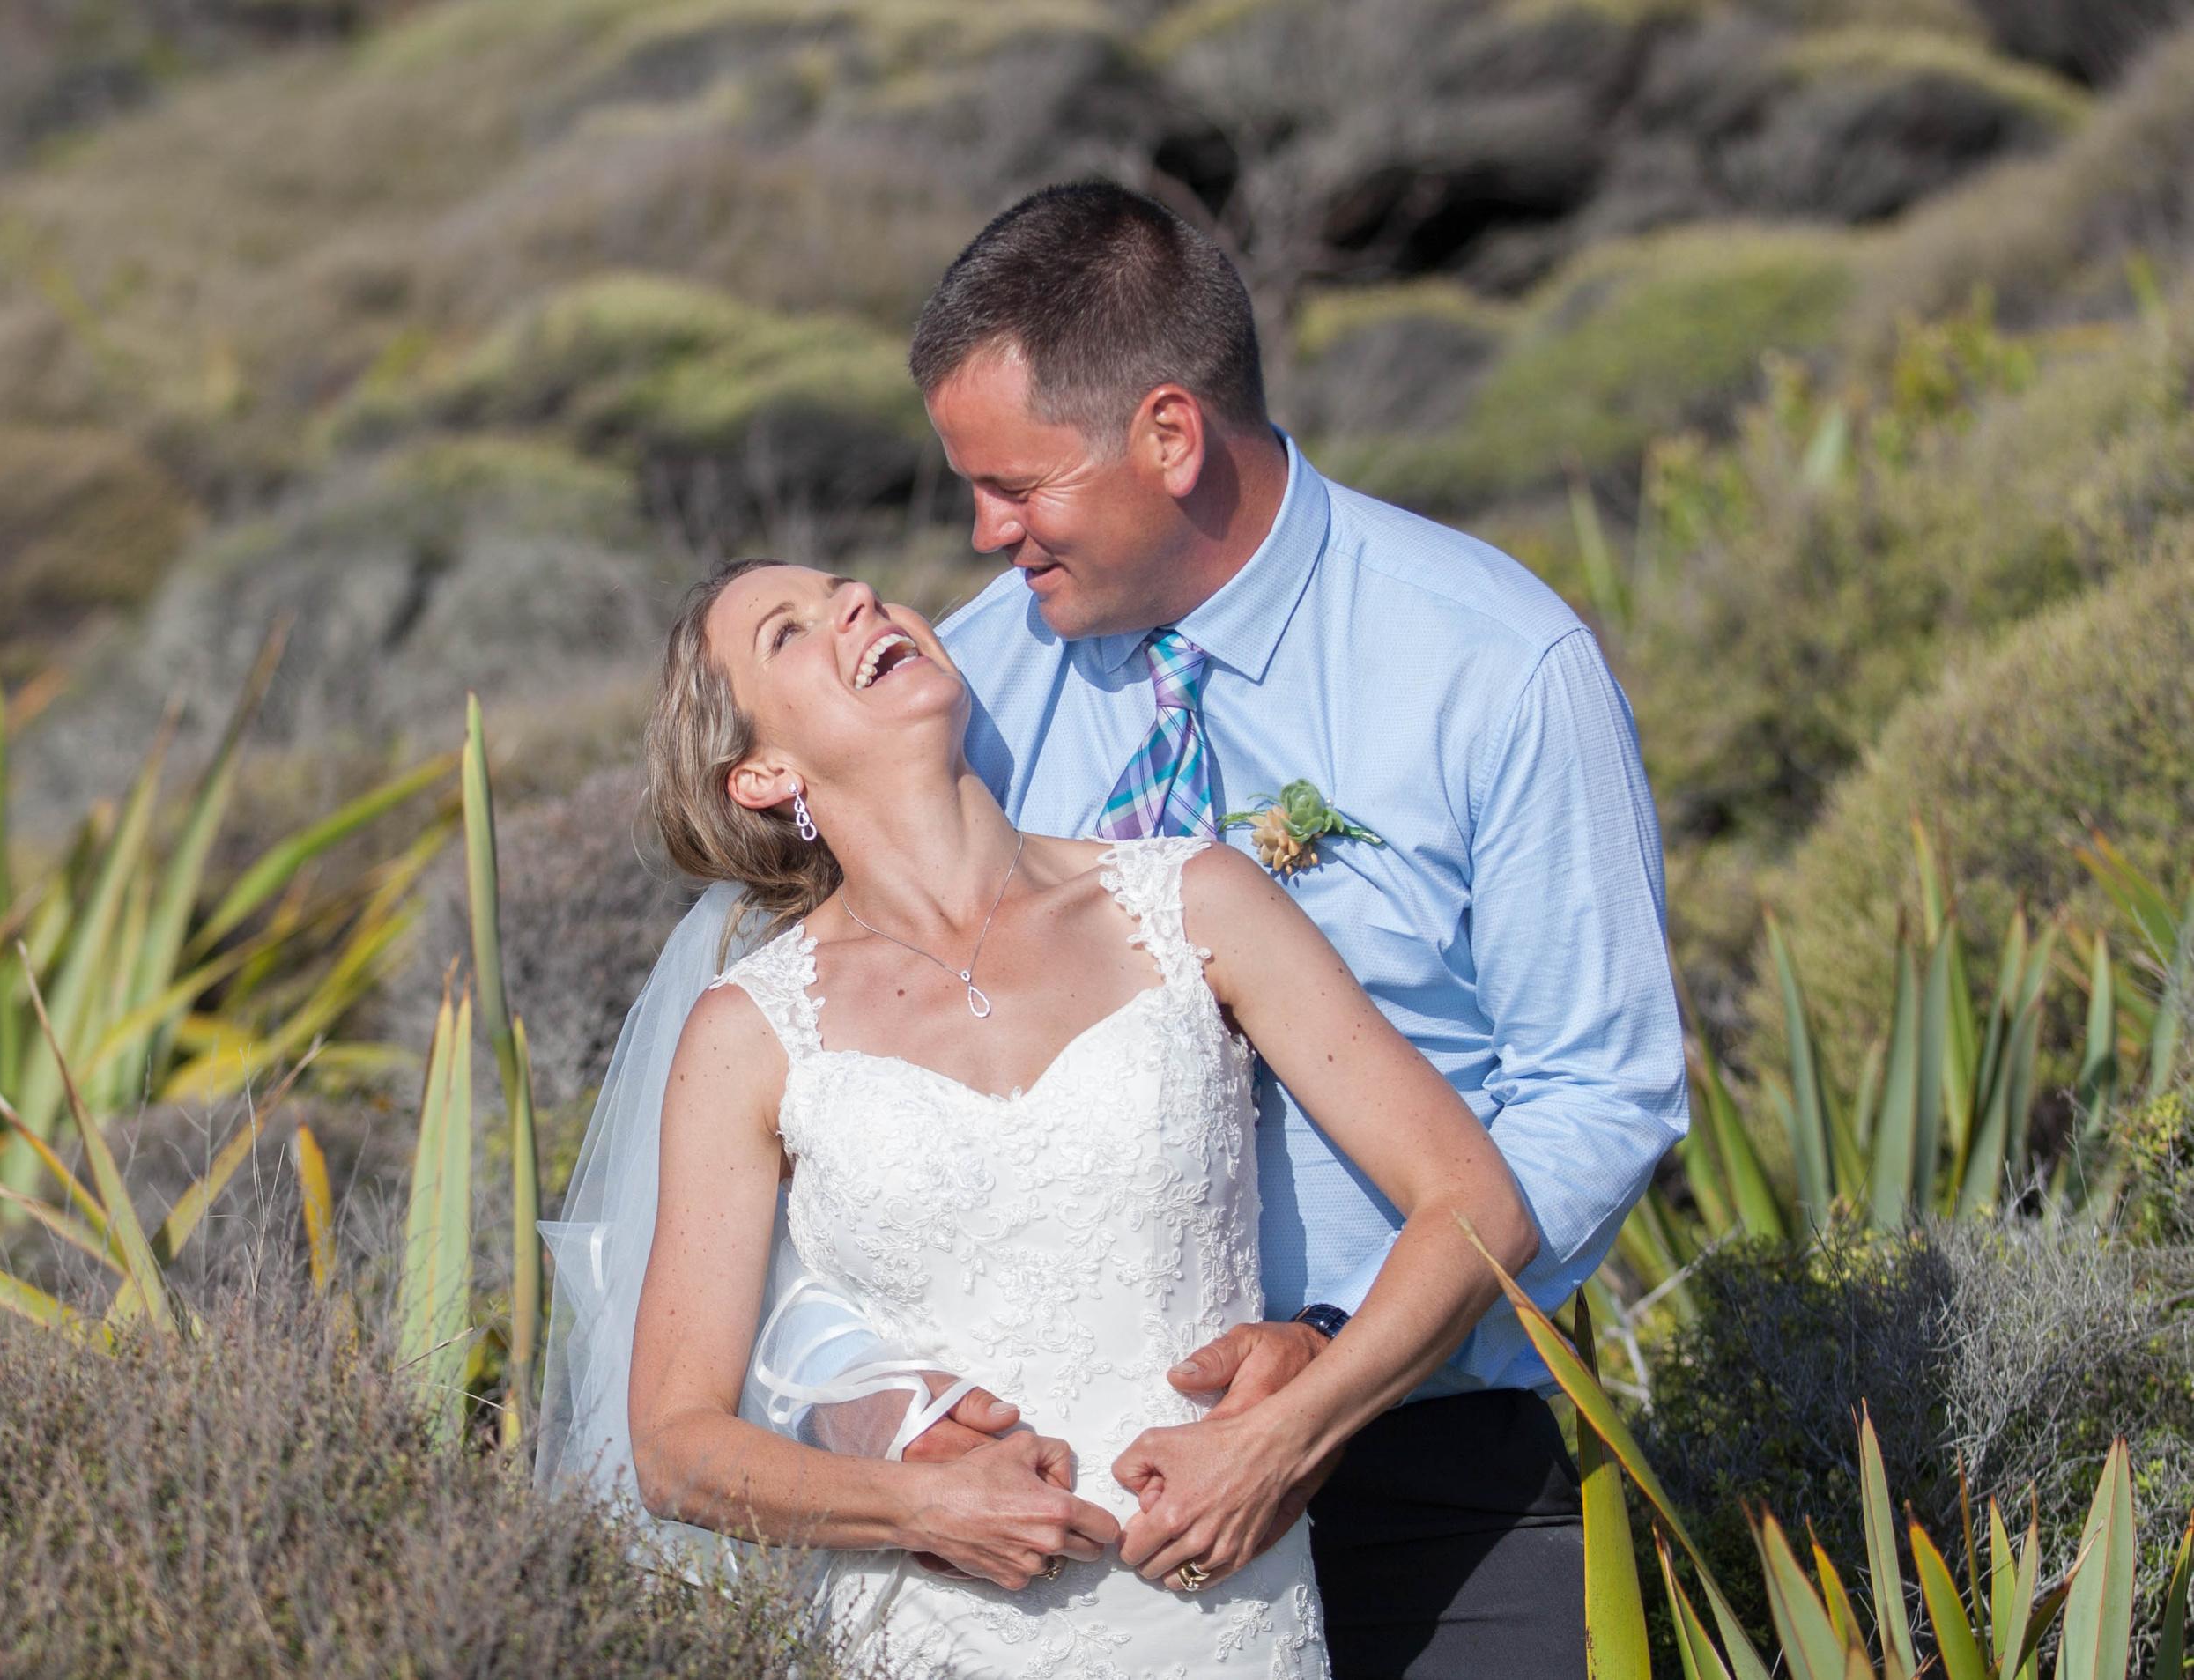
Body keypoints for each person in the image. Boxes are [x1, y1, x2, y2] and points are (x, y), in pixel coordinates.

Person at [538, 180, 1689, 1676]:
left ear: (1168, 435)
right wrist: (880, 1413)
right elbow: (834, 1139)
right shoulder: (964, 689)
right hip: (1053, 1527)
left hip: (1437, 1442)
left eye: (1014, 484)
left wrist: (1337, 1355)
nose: (980, 533)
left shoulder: (1494, 665)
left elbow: (1601, 1089)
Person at [625, 555, 1539, 1676]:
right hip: (932, 1637)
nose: (856, 604)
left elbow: (1476, 1203)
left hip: (1226, 1621)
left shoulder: (1193, 898)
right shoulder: (747, 1031)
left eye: (850, 589)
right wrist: (915, 1504)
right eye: (789, 629)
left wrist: (1285, 1436)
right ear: (762, 775)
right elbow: (674, 1444)